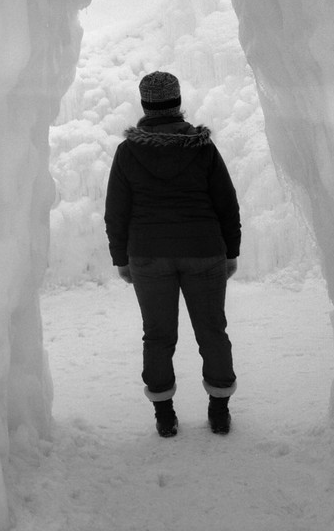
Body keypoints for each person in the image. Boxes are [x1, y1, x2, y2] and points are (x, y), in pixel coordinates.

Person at [104, 71, 240, 438]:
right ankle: (219, 410)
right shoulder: (201, 147)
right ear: (177, 103)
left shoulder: (128, 152)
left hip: (149, 254)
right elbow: (226, 204)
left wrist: (121, 258)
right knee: (212, 331)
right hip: (203, 250)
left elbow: (116, 212)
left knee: (158, 335)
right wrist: (231, 251)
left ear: (145, 105)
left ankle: (164, 415)